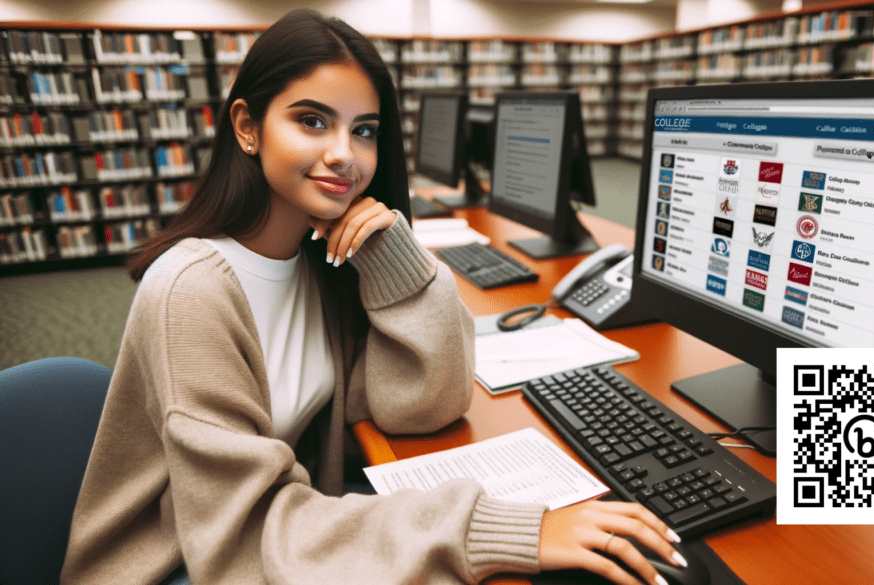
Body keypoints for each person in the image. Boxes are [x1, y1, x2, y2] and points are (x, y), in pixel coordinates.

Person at [61, 9, 684, 585]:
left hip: (260, 534)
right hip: (183, 564)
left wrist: (394, 261)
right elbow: (242, 536)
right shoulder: (192, 291)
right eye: (311, 121)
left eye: (365, 130)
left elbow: (419, 407)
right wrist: (502, 530)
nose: (345, 156)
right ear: (248, 127)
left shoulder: (313, 257)